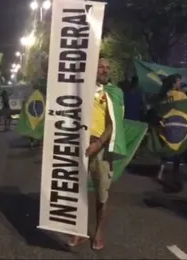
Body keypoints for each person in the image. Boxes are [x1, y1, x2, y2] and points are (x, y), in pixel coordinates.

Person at [68, 58, 126, 251]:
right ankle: (78, 230)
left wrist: (99, 143)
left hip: (101, 148)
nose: (104, 70)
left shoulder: (115, 93)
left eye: (108, 68)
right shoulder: (81, 89)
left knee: (101, 194)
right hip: (79, 145)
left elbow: (114, 123)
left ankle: (99, 230)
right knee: (76, 190)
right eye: (101, 66)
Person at [156, 74, 187, 182]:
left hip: (165, 123)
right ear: (174, 83)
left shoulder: (163, 95)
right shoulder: (180, 95)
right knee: (177, 149)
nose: (179, 83)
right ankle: (175, 173)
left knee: (167, 147)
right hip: (178, 123)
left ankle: (160, 171)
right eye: (178, 81)